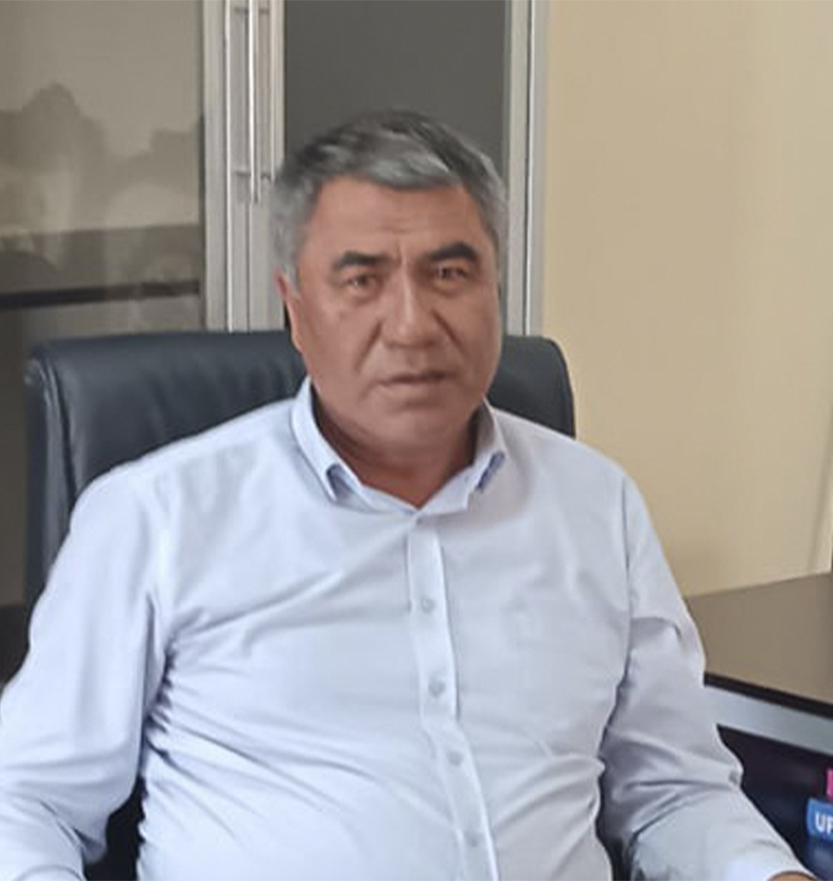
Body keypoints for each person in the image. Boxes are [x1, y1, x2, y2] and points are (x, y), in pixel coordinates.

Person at [0, 110, 811, 881]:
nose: (413, 324)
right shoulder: (157, 517)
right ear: (295, 307)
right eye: (362, 280)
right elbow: (27, 801)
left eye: (449, 273)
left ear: (496, 287)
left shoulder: (595, 505)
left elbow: (673, 791)